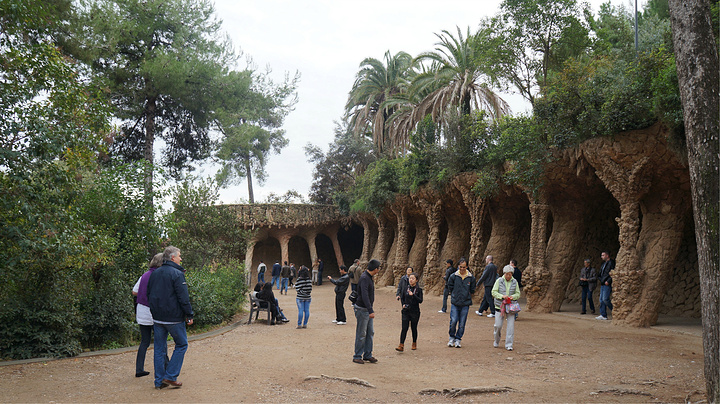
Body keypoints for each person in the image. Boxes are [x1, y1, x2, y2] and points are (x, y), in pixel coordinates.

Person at [146, 246, 193, 389]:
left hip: (158, 318)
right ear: (173, 257)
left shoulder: (154, 273)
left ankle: (159, 381)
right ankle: (170, 376)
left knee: (159, 349)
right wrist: (189, 314)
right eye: (179, 256)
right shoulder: (177, 274)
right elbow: (183, 297)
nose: (181, 258)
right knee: (182, 344)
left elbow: (149, 294)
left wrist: (154, 311)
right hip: (173, 318)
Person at [131, 253, 164, 378]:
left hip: (141, 311)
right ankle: (165, 367)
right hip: (154, 312)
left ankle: (139, 369)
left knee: (144, 341)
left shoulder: (144, 275)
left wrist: (143, 295)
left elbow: (134, 291)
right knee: (161, 341)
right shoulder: (159, 276)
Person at [353, 259, 380, 364]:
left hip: (366, 309)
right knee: (361, 333)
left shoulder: (369, 277)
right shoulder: (364, 278)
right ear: (375, 269)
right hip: (362, 309)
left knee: (370, 332)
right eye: (378, 268)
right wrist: (370, 310)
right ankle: (357, 355)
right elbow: (364, 295)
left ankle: (368, 354)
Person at [447, 258, 476, 348]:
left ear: (467, 267)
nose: (462, 269)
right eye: (460, 267)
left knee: (462, 323)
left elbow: (472, 289)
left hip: (465, 303)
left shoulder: (471, 278)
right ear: (458, 266)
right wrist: (454, 294)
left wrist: (467, 295)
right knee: (453, 321)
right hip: (455, 302)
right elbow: (449, 285)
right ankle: (451, 337)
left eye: (464, 267)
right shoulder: (453, 276)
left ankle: (458, 339)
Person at [492, 265, 521, 351]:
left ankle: (509, 344)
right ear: (504, 273)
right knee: (498, 325)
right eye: (507, 274)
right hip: (500, 306)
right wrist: (501, 296)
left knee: (511, 326)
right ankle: (496, 340)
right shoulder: (499, 281)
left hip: (511, 307)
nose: (508, 276)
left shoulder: (514, 282)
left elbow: (518, 293)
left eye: (510, 274)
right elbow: (494, 292)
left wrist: (513, 297)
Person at [396, 272, 423, 352]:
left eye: (413, 278)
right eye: (410, 278)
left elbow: (420, 300)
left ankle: (414, 343)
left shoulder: (418, 290)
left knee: (414, 328)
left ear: (416, 280)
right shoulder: (405, 288)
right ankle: (401, 345)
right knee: (404, 328)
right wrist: (403, 304)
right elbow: (403, 297)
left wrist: (413, 295)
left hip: (415, 311)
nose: (411, 280)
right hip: (406, 311)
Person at [596, 251, 615, 320]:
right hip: (603, 283)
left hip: (607, 283)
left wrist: (608, 281)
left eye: (603, 255)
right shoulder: (603, 264)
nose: (602, 257)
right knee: (601, 300)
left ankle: (615, 311)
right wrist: (601, 279)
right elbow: (600, 273)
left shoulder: (611, 263)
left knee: (605, 299)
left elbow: (613, 272)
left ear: (607, 255)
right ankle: (603, 315)